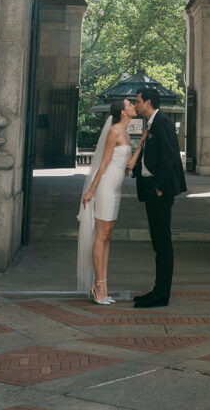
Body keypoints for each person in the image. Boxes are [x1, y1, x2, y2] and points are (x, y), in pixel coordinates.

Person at [77, 97, 144, 304]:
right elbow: (104, 163)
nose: (133, 106)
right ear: (123, 112)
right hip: (105, 187)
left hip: (115, 189)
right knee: (101, 235)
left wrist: (141, 141)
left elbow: (128, 165)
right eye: (129, 105)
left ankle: (103, 286)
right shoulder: (115, 130)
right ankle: (99, 286)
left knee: (107, 236)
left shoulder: (125, 132)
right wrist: (91, 190)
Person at [130, 86, 186, 307]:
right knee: (158, 242)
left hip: (159, 192)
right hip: (151, 189)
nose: (136, 105)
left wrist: (160, 188)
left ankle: (162, 294)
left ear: (149, 103)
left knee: (162, 242)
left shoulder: (161, 122)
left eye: (138, 101)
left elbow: (170, 156)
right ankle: (158, 290)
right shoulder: (153, 122)